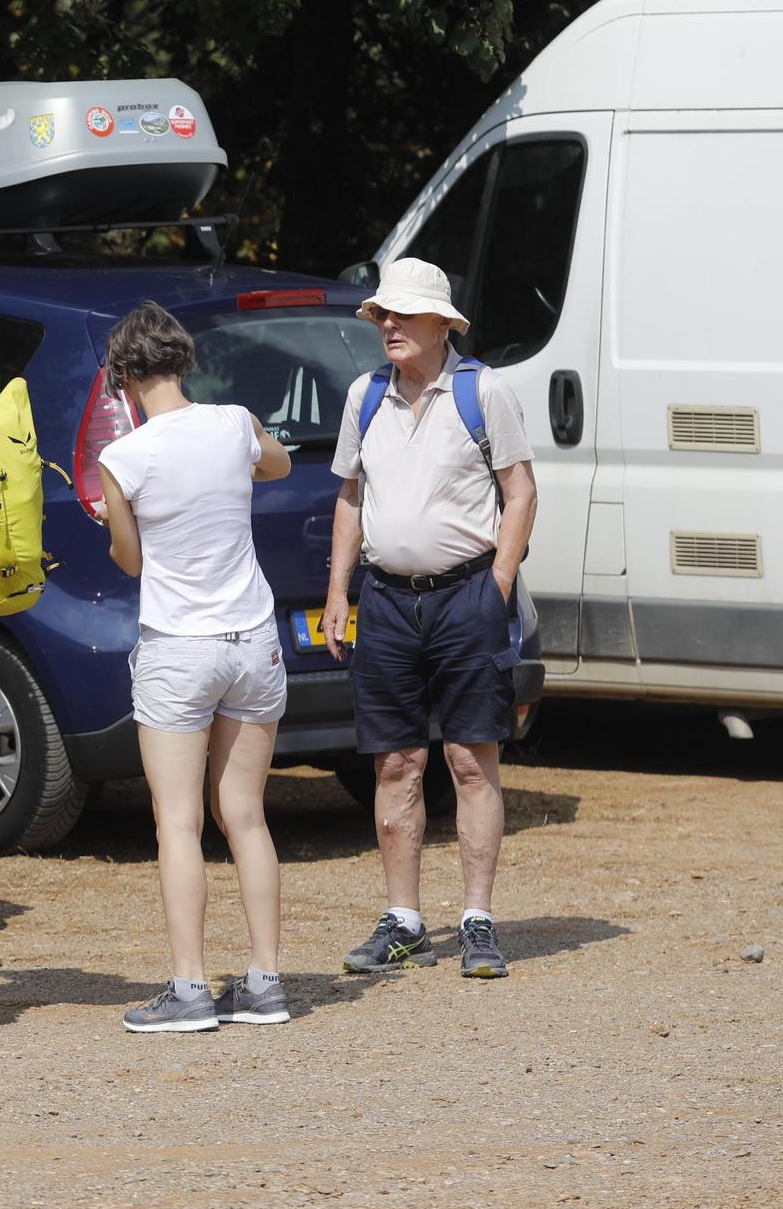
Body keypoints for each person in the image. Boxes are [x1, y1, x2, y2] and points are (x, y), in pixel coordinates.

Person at [323, 257, 536, 979]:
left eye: (402, 315)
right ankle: (406, 919)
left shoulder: (485, 392)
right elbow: (351, 497)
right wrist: (337, 592)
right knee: (394, 760)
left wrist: (497, 585)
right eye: (383, 314)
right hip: (385, 600)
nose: (388, 325)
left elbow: (522, 491)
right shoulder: (365, 396)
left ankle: (476, 918)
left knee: (470, 761)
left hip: (466, 595)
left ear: (443, 325)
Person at [93, 303, 296, 1032]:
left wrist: (119, 516)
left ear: (123, 379)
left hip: (179, 647)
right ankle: (267, 979)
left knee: (177, 822)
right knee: (244, 814)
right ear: (183, 362)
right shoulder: (234, 422)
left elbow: (130, 559)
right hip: (251, 638)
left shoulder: (124, 458)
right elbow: (278, 463)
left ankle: (189, 988)